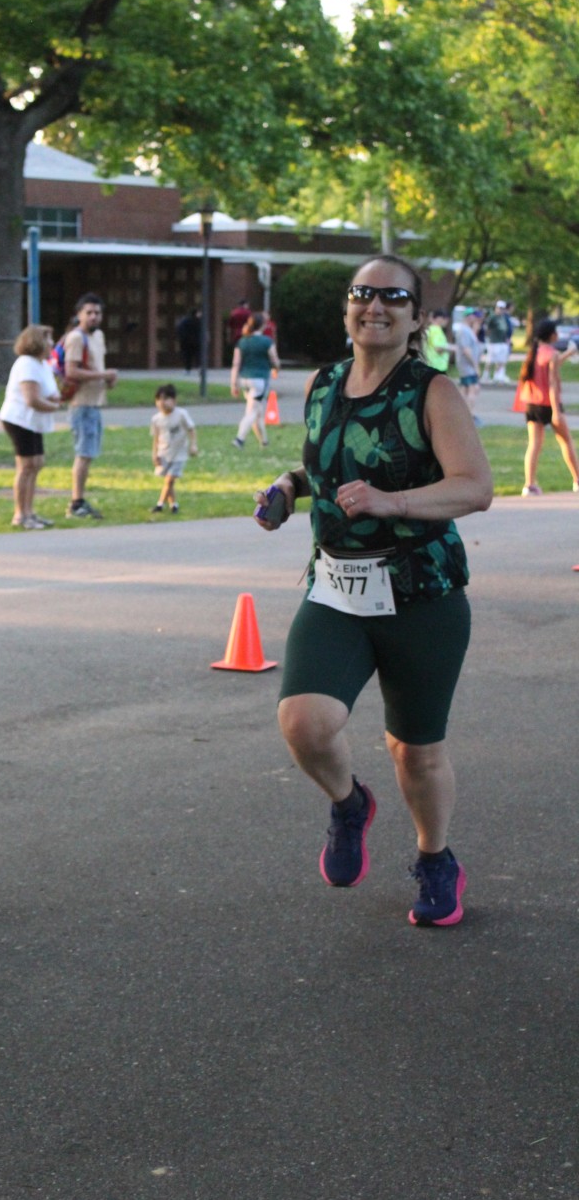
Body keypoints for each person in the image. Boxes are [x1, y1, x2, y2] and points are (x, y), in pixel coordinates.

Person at [253, 253, 493, 928]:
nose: (375, 306)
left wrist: (395, 501)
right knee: (304, 722)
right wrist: (289, 487)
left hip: (421, 594)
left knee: (414, 750)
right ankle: (349, 804)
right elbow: (323, 466)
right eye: (363, 294)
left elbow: (475, 487)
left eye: (393, 297)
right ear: (347, 308)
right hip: (336, 588)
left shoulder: (432, 392)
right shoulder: (324, 384)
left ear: (416, 318)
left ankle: (435, 858)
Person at [0, 323, 61, 529]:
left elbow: (49, 392)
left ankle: (30, 512)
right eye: (48, 339)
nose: (52, 343)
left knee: (37, 463)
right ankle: (20, 515)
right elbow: (31, 399)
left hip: (34, 421)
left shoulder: (42, 364)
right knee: (26, 466)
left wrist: (55, 398)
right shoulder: (26, 364)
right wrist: (54, 407)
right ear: (36, 342)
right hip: (19, 420)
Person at [63, 293, 118, 519]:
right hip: (81, 404)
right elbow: (71, 371)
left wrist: (107, 379)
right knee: (84, 454)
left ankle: (80, 499)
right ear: (79, 315)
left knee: (89, 454)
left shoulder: (98, 336)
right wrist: (103, 375)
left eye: (97, 313)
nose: (93, 317)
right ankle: (76, 503)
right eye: (89, 313)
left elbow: (95, 368)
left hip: (95, 404)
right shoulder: (76, 338)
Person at [515, 317, 579, 495]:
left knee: (534, 445)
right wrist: (556, 411)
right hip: (548, 404)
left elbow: (551, 365)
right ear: (552, 335)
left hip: (532, 404)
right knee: (566, 441)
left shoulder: (534, 352)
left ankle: (529, 484)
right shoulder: (552, 353)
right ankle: (577, 480)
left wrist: (569, 353)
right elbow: (552, 383)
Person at [230, 313, 279, 448]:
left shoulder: (242, 342)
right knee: (252, 412)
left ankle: (264, 442)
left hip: (244, 380)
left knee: (258, 412)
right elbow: (275, 360)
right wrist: (276, 369)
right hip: (259, 381)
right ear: (262, 325)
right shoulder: (267, 341)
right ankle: (239, 439)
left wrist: (233, 384)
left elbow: (236, 364)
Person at [150, 383, 197, 514]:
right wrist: (154, 454)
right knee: (168, 481)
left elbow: (191, 429)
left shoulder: (181, 414)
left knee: (169, 479)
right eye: (158, 399)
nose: (162, 402)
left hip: (179, 454)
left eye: (166, 399)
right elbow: (156, 438)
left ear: (174, 400)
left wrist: (193, 445)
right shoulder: (156, 419)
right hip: (163, 454)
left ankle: (160, 504)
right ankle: (173, 505)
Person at [452, 308, 484, 421]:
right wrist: (475, 365)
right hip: (467, 365)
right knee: (472, 388)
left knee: (464, 388)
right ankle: (470, 414)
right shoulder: (464, 331)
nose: (474, 318)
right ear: (467, 316)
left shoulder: (468, 330)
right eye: (472, 315)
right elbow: (466, 350)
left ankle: (461, 413)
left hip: (467, 365)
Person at [482, 300, 514, 383]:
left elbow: (506, 329)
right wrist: (489, 339)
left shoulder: (503, 318)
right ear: (496, 308)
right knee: (490, 360)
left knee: (500, 360)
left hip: (502, 341)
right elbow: (487, 329)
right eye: (499, 308)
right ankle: (486, 376)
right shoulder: (492, 317)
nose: (500, 310)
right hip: (493, 342)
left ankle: (497, 376)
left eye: (502, 308)